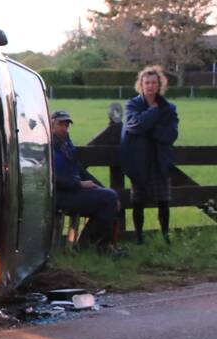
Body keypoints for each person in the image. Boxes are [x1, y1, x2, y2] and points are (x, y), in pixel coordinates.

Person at [120, 66, 179, 245]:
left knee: (163, 201)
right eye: (147, 83)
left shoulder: (169, 108)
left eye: (154, 83)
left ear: (159, 84)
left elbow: (171, 134)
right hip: (138, 160)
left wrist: (149, 129)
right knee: (138, 201)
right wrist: (153, 113)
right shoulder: (132, 105)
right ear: (141, 85)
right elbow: (134, 125)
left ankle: (165, 236)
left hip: (160, 160)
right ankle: (139, 238)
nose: (151, 86)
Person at [51, 110, 121, 255]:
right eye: (61, 124)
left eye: (67, 125)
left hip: (74, 192)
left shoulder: (66, 145)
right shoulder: (47, 148)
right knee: (109, 199)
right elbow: (51, 179)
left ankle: (87, 244)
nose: (64, 128)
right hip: (60, 195)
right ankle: (100, 246)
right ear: (51, 124)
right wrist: (80, 185)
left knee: (110, 198)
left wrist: (101, 187)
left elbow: (80, 171)